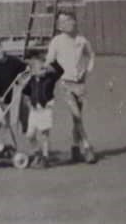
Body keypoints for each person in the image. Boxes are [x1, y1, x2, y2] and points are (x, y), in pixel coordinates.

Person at [46, 11, 97, 164]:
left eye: (68, 20)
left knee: (77, 118)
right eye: (61, 22)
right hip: (65, 84)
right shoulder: (56, 41)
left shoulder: (82, 40)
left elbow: (92, 55)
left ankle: (75, 147)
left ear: (74, 21)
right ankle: (87, 147)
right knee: (76, 116)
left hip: (80, 85)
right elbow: (50, 60)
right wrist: (58, 72)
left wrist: (87, 71)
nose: (65, 24)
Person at [22, 49, 63, 168]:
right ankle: (37, 152)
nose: (42, 71)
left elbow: (60, 70)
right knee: (30, 135)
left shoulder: (50, 78)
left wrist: (50, 63)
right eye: (39, 69)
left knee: (44, 134)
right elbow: (25, 92)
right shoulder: (31, 80)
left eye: (43, 68)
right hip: (34, 111)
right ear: (33, 70)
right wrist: (29, 102)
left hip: (45, 110)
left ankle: (45, 157)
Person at [0, 36, 29, 137]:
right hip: (3, 99)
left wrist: (24, 79)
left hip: (17, 96)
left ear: (2, 47)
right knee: (8, 123)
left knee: (24, 115)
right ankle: (12, 143)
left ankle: (27, 133)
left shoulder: (14, 61)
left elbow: (26, 71)